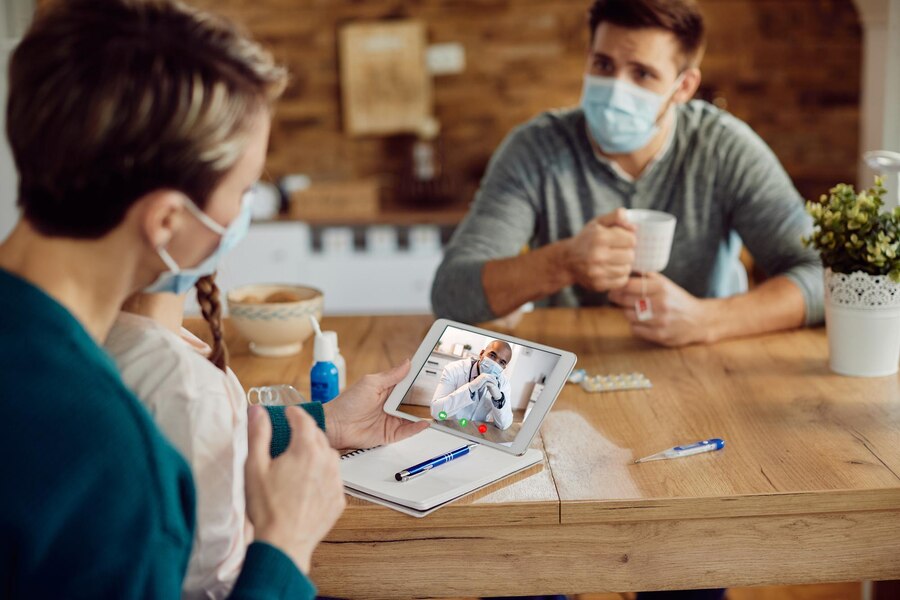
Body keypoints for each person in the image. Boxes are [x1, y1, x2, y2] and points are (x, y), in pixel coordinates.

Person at [0, 0, 421, 597]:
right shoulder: (104, 452)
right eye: (245, 190)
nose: (244, 211)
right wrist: (285, 546)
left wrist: (315, 422)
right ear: (168, 220)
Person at [431, 0, 824, 348]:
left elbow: (825, 276)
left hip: (705, 365)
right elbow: (451, 292)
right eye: (604, 65)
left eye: (642, 74)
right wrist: (563, 263)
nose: (616, 89)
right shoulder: (535, 149)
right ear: (588, 59)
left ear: (683, 86)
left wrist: (707, 320)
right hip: (575, 364)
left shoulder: (725, 149)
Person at [105, 276, 427, 598]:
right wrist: (284, 543)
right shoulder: (183, 385)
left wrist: (330, 421)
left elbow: (178, 438)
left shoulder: (116, 337)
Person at [431, 340, 514, 430]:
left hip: (477, 431)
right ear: (481, 353)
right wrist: (471, 388)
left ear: (504, 368)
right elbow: (436, 412)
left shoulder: (504, 383)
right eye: (492, 355)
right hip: (449, 427)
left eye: (501, 362)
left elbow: (504, 425)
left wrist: (499, 399)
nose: (495, 364)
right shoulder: (454, 369)